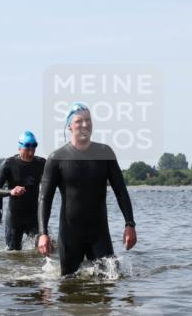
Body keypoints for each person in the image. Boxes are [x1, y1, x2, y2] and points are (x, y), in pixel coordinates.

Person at [37, 103, 137, 275]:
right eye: (79, 121)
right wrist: (43, 233)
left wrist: (130, 224)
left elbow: (120, 191)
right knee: (68, 288)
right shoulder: (56, 158)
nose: (85, 125)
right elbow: (44, 198)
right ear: (69, 126)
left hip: (99, 234)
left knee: (108, 285)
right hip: (69, 235)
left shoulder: (105, 153)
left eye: (88, 120)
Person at [0, 130, 46, 250]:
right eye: (27, 148)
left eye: (34, 147)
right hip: (14, 218)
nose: (31, 151)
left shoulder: (41, 163)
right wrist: (11, 192)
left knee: (44, 246)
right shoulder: (8, 164)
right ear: (19, 147)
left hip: (33, 216)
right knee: (14, 253)